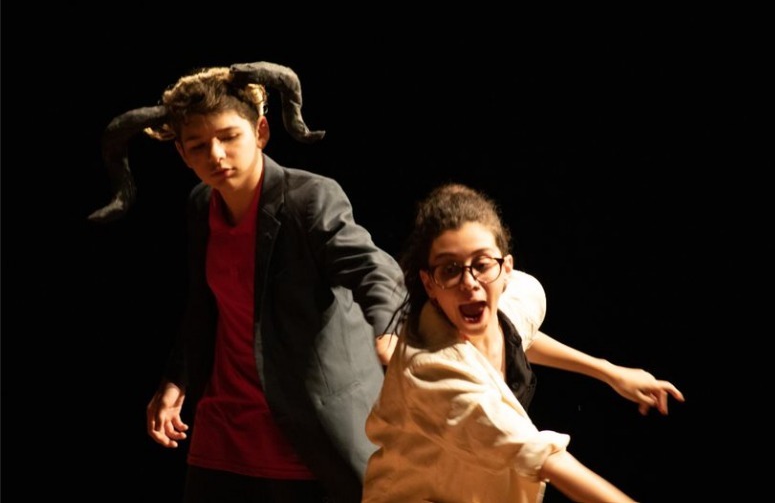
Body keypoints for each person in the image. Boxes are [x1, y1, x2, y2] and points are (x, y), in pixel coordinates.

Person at [88, 61, 405, 503]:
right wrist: (175, 381)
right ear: (182, 153)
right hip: (224, 424)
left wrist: (388, 330)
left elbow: (373, 268)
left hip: (303, 424)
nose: (215, 155)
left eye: (229, 137)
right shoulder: (202, 204)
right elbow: (205, 306)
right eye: (198, 145)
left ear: (260, 132)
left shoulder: (308, 199)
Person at [363, 183, 684, 503]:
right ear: (429, 283)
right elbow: (546, 459)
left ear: (506, 269)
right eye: (450, 269)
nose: (469, 283)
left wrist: (610, 372)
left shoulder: (520, 296)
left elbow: (517, 334)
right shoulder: (431, 371)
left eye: (482, 264)